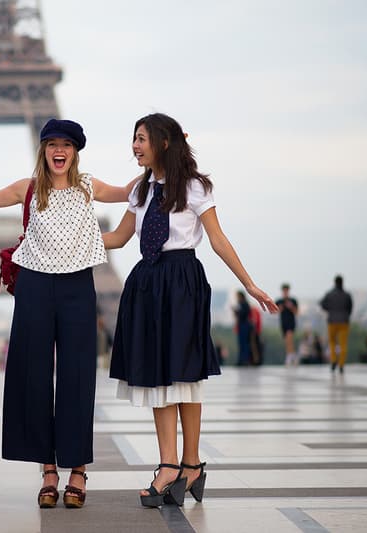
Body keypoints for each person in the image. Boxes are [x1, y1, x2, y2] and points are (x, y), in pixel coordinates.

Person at [103, 113, 277, 508]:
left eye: (141, 138)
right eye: (134, 138)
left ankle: (190, 463)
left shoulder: (195, 187)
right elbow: (117, 237)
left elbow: (216, 239)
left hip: (181, 281)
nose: (135, 146)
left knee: (183, 371)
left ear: (164, 142)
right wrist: (68, 238)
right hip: (147, 281)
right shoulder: (141, 191)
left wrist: (249, 285)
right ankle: (170, 464)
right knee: (157, 377)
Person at [0, 118, 129, 509]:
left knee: (78, 376)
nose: (59, 150)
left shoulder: (87, 187)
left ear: (76, 151)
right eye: (52, 144)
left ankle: (77, 469)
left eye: (67, 144)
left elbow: (132, 191)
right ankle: (48, 469)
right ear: (43, 149)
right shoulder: (27, 189)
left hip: (78, 285)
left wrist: (164, 158)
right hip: (35, 287)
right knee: (33, 375)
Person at [320, 275, 353, 373]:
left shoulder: (329, 294)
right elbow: (350, 307)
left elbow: (323, 304)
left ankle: (334, 360)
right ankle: (341, 364)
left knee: (332, 342)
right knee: (343, 344)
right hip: (344, 321)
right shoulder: (347, 295)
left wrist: (330, 310)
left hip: (332, 321)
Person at [276, 284, 299, 365]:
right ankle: (293, 356)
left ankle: (289, 357)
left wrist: (291, 307)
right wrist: (280, 308)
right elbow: (275, 311)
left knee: (289, 339)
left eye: (286, 290)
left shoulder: (293, 301)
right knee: (287, 341)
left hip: (291, 322)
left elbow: (296, 312)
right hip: (283, 323)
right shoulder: (279, 301)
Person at [232, 291, 252, 366]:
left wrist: (237, 312)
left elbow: (245, 314)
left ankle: (245, 360)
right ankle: (241, 359)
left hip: (244, 325)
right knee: (241, 343)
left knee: (245, 343)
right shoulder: (240, 304)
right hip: (241, 325)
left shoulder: (245, 304)